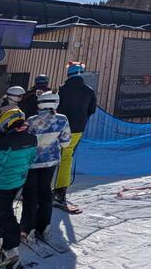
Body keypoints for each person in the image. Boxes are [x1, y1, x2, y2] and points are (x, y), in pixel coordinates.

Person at [0, 109, 37, 269]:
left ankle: (11, 251)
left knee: (4, 214)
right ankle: (1, 243)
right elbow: (32, 158)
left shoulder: (8, 140)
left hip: (4, 182)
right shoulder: (32, 137)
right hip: (19, 180)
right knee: (1, 212)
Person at [21, 92, 70, 242]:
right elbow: (65, 142)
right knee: (45, 191)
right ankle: (45, 226)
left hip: (32, 162)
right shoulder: (62, 119)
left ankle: (28, 228)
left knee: (30, 193)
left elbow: (25, 140)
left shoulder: (31, 120)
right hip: (51, 162)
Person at [54, 62, 97, 209]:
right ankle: (61, 191)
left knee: (53, 156)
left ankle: (48, 187)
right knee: (67, 157)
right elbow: (92, 110)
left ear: (68, 74)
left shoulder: (62, 90)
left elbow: (55, 108)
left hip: (60, 128)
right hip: (78, 129)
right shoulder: (89, 91)